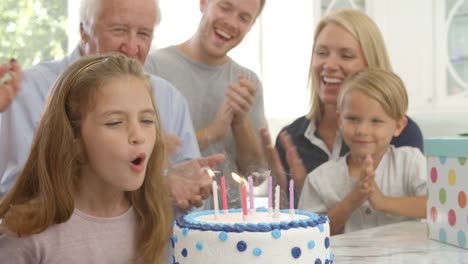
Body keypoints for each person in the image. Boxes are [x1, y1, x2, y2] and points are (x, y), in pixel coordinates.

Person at [0, 0, 224, 211]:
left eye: (143, 34)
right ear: (83, 31)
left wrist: (187, 186)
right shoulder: (27, 90)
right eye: (119, 30)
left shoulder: (169, 99)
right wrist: (153, 176)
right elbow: (15, 198)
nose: (131, 46)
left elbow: (188, 201)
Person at [0, 53, 173, 263]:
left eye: (147, 120)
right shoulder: (27, 237)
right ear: (74, 140)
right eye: (115, 122)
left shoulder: (151, 219)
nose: (138, 136)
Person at [260, 9, 424, 208]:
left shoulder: (402, 134)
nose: (329, 64)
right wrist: (288, 194)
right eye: (321, 53)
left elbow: (425, 208)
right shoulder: (291, 138)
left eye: (346, 55)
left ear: (371, 66)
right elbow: (288, 225)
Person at [145, 0, 268, 208]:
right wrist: (211, 133)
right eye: (225, 7)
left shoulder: (248, 82)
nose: (231, 22)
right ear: (203, 3)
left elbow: (255, 176)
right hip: (168, 222)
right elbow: (144, 156)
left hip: (231, 228)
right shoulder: (152, 68)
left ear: (252, 25)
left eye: (244, 18)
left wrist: (239, 122)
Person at [298, 68, 427, 235]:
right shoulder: (319, 180)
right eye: (353, 119)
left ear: (398, 126)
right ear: (340, 120)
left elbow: (441, 206)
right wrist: (352, 200)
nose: (362, 130)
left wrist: (383, 202)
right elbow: (308, 235)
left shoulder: (410, 162)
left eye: (376, 121)